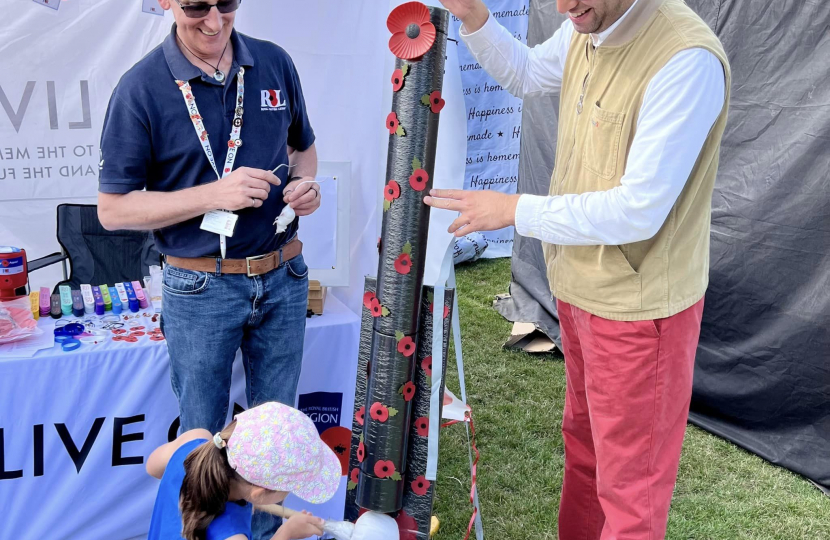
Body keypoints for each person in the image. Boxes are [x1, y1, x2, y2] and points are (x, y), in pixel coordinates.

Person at [428, 0, 730, 538]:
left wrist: (514, 209)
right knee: (587, 455)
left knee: (630, 493)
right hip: (580, 292)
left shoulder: (685, 57)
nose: (566, 7)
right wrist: (473, 15)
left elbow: (639, 209)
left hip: (638, 316)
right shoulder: (587, 23)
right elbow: (523, 72)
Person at [97, 2, 319, 536]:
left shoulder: (274, 63)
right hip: (200, 284)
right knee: (201, 438)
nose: (215, 21)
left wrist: (304, 189)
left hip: (283, 274)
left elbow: (303, 150)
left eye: (227, 4)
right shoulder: (141, 86)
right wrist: (211, 196)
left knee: (273, 436)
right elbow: (113, 209)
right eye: (197, 7)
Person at [146, 401, 341, 540]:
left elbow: (153, 467)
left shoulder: (196, 442)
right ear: (259, 493)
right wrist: (285, 534)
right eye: (289, 489)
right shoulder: (232, 534)